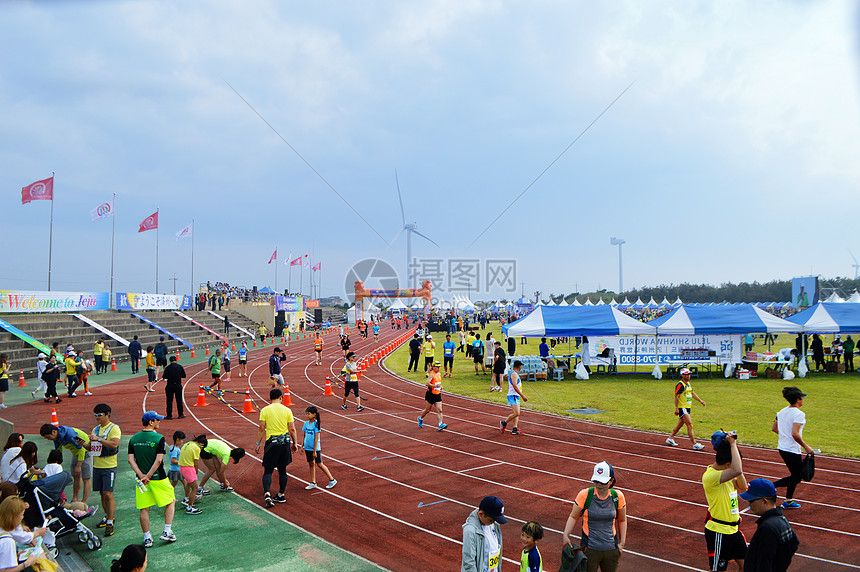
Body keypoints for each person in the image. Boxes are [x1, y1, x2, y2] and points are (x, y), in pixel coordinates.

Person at [562, 461, 627, 572]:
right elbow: (574, 516)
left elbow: (622, 520)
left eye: (602, 482)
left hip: (611, 550)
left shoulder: (617, 496)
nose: (598, 485)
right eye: (596, 481)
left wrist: (621, 543)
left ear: (611, 481)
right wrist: (566, 534)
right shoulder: (585, 495)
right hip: (589, 549)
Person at [128, 410, 176, 547]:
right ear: (151, 422)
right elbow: (158, 460)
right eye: (157, 420)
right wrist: (148, 476)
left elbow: (131, 460)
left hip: (141, 481)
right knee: (171, 501)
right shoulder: (159, 438)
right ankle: (167, 531)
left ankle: (147, 537)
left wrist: (141, 476)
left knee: (144, 508)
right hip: (158, 478)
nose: (159, 422)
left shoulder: (134, 439)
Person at [702, 430, 747, 572]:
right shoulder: (712, 476)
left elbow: (744, 487)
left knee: (747, 566)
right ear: (728, 465)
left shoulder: (728, 475)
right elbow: (736, 469)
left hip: (734, 529)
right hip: (719, 531)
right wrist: (733, 445)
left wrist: (732, 447)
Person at [739, 478, 800, 572]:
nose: (749, 504)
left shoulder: (767, 528)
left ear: (764, 501)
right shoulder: (782, 520)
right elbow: (794, 543)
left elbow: (764, 563)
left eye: (751, 501)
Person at [772, 386, 815, 509]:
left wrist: (784, 435)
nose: (803, 400)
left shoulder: (781, 412)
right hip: (791, 449)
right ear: (798, 399)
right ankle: (769, 486)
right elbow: (795, 433)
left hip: (782, 447)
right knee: (797, 477)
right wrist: (806, 447)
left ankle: (789, 500)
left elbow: (774, 428)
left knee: (795, 475)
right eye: (802, 398)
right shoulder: (799, 414)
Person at [256, 388, 299, 508]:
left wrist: (258, 443)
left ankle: (267, 493)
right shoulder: (287, 410)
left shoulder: (265, 410)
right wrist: (295, 443)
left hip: (271, 443)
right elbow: (292, 429)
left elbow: (261, 428)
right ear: (281, 398)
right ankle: (281, 494)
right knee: (282, 470)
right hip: (284, 443)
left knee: (268, 470)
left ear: (270, 398)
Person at [85, 403, 121, 537]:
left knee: (108, 494)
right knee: (102, 493)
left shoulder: (114, 428)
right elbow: (91, 447)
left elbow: (114, 444)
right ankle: (107, 516)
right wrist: (83, 444)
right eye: (95, 415)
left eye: (99, 415)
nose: (97, 418)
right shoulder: (95, 429)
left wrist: (99, 439)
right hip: (97, 466)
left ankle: (110, 522)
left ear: (107, 414)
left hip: (109, 466)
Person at [40, 423, 91, 503]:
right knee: (76, 475)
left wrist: (79, 465)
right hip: (76, 452)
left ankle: (83, 502)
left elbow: (81, 448)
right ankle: (75, 499)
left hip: (85, 451)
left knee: (86, 477)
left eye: (48, 437)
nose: (48, 439)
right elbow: (58, 450)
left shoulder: (71, 434)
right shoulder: (57, 437)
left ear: (54, 432)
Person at [461, 495, 506, 572]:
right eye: (491, 520)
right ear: (481, 514)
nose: (493, 522)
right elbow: (469, 563)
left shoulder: (494, 525)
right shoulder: (470, 531)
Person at [666, 368, 707, 450]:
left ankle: (670, 438)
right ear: (682, 375)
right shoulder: (680, 385)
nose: (688, 376)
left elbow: (692, 393)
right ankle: (694, 443)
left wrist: (700, 401)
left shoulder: (688, 384)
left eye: (689, 374)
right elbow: (676, 397)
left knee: (680, 424)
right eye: (686, 374)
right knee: (690, 425)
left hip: (687, 407)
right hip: (683, 407)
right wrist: (677, 408)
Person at [0, 496, 40, 571]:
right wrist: (27, 563)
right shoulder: (8, 541)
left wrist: (14, 556)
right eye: (22, 514)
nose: (22, 518)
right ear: (15, 517)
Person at [302, 406, 337, 490]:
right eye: (306, 414)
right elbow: (304, 435)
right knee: (311, 464)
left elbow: (316, 438)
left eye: (308, 414)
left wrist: (314, 451)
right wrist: (302, 445)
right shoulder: (306, 423)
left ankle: (332, 479)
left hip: (315, 448)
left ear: (314, 415)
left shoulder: (316, 424)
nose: (307, 415)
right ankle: (313, 482)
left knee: (319, 464)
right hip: (307, 447)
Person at [178, 434, 206, 515]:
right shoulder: (196, 448)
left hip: (182, 468)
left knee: (189, 484)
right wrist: (196, 471)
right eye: (202, 448)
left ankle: (187, 498)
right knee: (195, 488)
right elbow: (196, 462)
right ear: (201, 444)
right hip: (189, 468)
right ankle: (190, 507)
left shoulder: (187, 444)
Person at [418, 361, 447, 431]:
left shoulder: (439, 374)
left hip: (437, 394)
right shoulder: (431, 374)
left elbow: (438, 382)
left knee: (439, 410)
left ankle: (440, 424)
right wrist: (434, 386)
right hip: (430, 395)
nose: (439, 368)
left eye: (439, 367)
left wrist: (440, 386)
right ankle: (420, 418)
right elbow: (427, 383)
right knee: (427, 410)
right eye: (437, 367)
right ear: (433, 367)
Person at [500, 360, 527, 435]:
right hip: (513, 395)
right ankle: (504, 422)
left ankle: (515, 428)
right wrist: (522, 395)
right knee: (516, 413)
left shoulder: (514, 374)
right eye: (521, 366)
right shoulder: (514, 374)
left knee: (517, 413)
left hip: (515, 395)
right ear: (519, 366)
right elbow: (514, 385)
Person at [163, 355, 186, 419]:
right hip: (178, 385)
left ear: (170, 361)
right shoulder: (180, 367)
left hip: (170, 385)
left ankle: (169, 415)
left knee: (169, 401)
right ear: (176, 360)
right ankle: (180, 414)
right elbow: (184, 375)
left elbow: (164, 377)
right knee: (179, 400)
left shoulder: (167, 368)